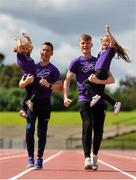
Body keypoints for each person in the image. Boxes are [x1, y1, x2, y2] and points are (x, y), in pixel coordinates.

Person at [63, 33, 114, 170]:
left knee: (99, 131)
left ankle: (94, 155)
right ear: (80, 45)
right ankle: (86, 158)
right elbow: (67, 80)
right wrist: (65, 96)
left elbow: (111, 80)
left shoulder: (99, 60)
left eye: (87, 43)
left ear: (91, 44)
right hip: (85, 99)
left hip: (100, 100)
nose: (85, 45)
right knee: (87, 125)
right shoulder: (76, 62)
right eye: (82, 43)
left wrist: (98, 81)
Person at [19, 41, 63, 169]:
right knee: (29, 129)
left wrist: (49, 85)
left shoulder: (53, 69)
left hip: (45, 104)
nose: (45, 52)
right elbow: (21, 84)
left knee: (41, 132)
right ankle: (30, 158)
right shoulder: (33, 66)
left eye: (48, 50)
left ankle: (39, 158)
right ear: (40, 51)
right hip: (32, 103)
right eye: (43, 50)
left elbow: (60, 87)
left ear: (51, 53)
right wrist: (26, 81)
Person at [83, 25, 130, 115]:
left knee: (86, 83)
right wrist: (102, 44)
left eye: (107, 42)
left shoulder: (110, 50)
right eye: (103, 42)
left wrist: (108, 32)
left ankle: (94, 96)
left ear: (110, 43)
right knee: (101, 93)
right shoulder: (101, 52)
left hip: (101, 71)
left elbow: (113, 41)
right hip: (101, 72)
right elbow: (101, 50)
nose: (105, 43)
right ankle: (115, 103)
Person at [13, 32, 38, 118]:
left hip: (32, 76)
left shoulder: (27, 55)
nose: (25, 50)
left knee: (29, 93)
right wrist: (19, 41)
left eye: (26, 49)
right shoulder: (20, 55)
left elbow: (31, 46)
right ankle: (27, 105)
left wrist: (28, 38)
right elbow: (20, 47)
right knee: (35, 91)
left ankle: (23, 109)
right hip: (28, 76)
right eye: (23, 48)